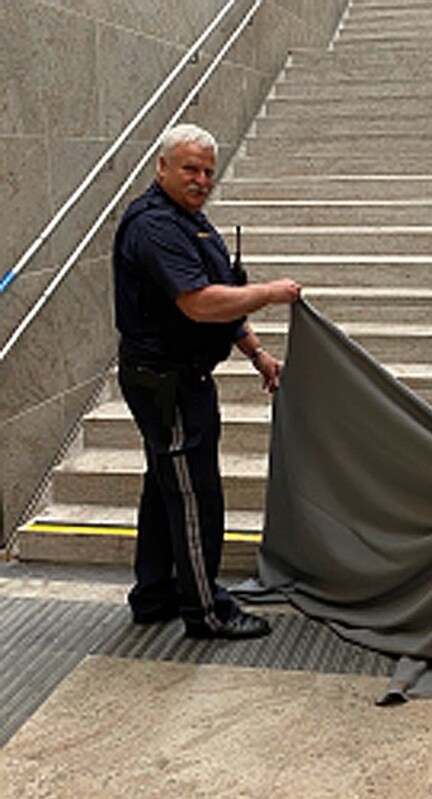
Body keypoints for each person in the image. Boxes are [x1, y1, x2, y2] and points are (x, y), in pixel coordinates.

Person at [113, 123, 301, 639]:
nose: (200, 180)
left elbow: (221, 299)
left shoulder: (188, 221)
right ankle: (207, 612)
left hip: (173, 376)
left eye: (208, 172)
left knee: (164, 488)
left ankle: (154, 595)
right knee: (195, 495)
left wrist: (257, 352)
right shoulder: (154, 226)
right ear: (162, 167)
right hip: (168, 384)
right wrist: (269, 293)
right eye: (190, 169)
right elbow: (199, 303)